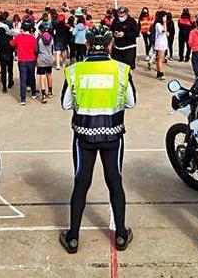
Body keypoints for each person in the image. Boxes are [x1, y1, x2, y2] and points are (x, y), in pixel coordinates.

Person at [59, 24, 136, 254]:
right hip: (113, 135)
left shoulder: (74, 71)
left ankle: (73, 238)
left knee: (81, 184)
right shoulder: (121, 69)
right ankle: (121, 235)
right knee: (115, 182)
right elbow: (131, 102)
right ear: (110, 44)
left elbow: (65, 104)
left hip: (84, 137)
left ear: (87, 44)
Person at [11, 19, 38, 106]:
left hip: (22, 60)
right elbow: (35, 50)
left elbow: (12, 44)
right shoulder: (33, 38)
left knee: (23, 79)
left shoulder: (18, 37)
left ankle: (23, 98)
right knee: (32, 77)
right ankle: (33, 93)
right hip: (31, 60)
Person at [36, 23, 55, 103]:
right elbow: (52, 49)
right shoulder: (51, 38)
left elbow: (36, 50)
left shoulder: (39, 38)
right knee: (49, 74)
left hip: (41, 59)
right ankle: (50, 91)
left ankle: (43, 94)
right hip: (49, 58)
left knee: (42, 76)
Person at [0, 26, 15, 94]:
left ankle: (4, 87)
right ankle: (10, 82)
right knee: (10, 70)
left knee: (3, 71)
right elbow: (13, 46)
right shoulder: (10, 38)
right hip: (10, 55)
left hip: (3, 56)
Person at [152, 11, 168, 80]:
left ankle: (159, 72)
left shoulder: (160, 24)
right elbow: (163, 30)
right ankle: (160, 73)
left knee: (160, 58)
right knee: (161, 59)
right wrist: (164, 22)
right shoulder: (158, 24)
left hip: (163, 43)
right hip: (160, 44)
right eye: (164, 17)